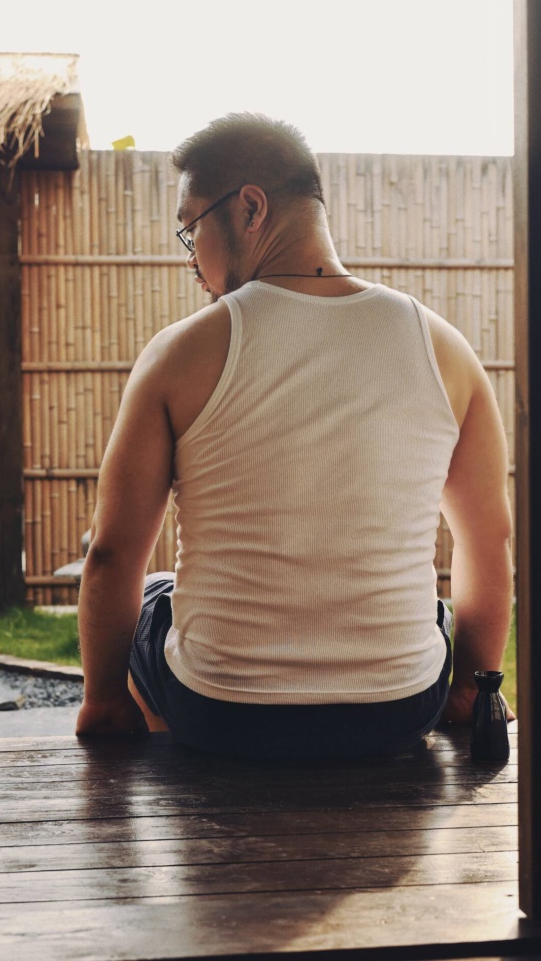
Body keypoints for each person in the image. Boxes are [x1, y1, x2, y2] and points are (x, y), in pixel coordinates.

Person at [75, 113, 514, 759]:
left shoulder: (180, 353)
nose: (191, 258)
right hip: (399, 708)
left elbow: (112, 554)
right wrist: (472, 688)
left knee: (152, 595)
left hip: (221, 714)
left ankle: (194, 784)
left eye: (192, 229)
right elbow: (490, 539)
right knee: (432, 614)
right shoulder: (445, 349)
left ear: (250, 208)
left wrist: (103, 702)